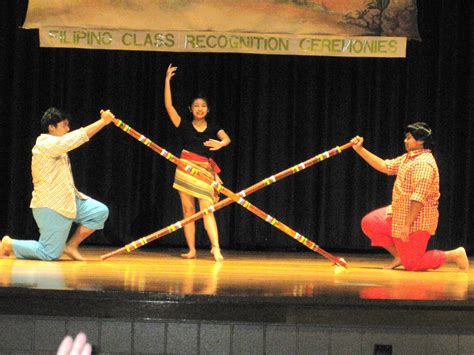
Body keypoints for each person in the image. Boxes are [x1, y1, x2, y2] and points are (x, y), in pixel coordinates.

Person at [0, 107, 115, 261]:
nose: (68, 129)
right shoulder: (45, 144)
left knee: (99, 212)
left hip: (69, 201)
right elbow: (75, 138)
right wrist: (102, 122)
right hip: (51, 206)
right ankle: (9, 243)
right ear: (51, 127)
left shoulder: (57, 145)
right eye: (64, 125)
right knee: (49, 253)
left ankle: (71, 246)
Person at [351, 122, 469, 271]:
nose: (405, 141)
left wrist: (406, 225)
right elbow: (385, 166)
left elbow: (418, 198)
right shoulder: (409, 158)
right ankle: (400, 256)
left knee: (413, 265)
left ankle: (454, 254)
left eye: (409, 138)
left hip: (417, 220)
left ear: (420, 141)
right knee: (371, 223)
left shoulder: (424, 164)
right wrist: (360, 149)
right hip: (398, 212)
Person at [164, 64, 231, 262]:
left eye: (203, 106)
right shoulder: (183, 124)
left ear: (207, 109)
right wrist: (167, 81)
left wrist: (220, 144)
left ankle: (215, 248)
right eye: (196, 106)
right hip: (185, 168)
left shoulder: (213, 127)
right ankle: (192, 249)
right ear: (190, 109)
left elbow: (227, 139)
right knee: (188, 211)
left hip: (204, 171)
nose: (199, 109)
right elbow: (169, 107)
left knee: (207, 209)